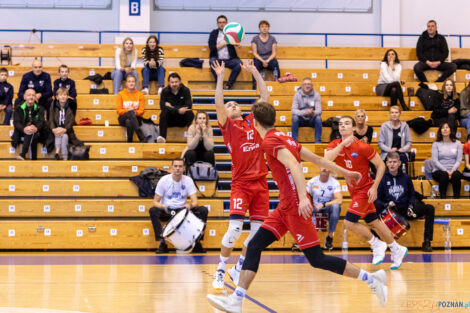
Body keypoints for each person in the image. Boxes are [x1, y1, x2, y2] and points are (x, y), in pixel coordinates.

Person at [207, 102, 389, 312]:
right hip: (284, 207)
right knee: (255, 246)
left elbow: (295, 165)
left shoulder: (269, 142)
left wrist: (303, 198)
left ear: (255, 122)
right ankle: (236, 300)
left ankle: (372, 280)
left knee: (316, 259)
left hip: (295, 207)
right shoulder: (285, 137)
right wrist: (345, 172)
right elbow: (317, 158)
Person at [209, 60, 270, 290]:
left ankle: (237, 269)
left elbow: (265, 97)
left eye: (236, 104)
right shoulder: (228, 127)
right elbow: (218, 104)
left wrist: (254, 71)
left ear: (242, 110)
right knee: (234, 230)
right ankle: (221, 269)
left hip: (261, 184)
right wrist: (220, 77)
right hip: (241, 184)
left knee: (255, 239)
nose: (232, 106)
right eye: (229, 105)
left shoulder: (253, 123)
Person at [325, 116, 408, 269]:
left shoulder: (362, 146)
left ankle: (377, 244)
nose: (343, 126)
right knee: (374, 221)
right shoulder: (335, 144)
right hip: (354, 191)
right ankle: (397, 249)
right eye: (341, 124)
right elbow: (326, 160)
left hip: (365, 189)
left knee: (349, 222)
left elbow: (381, 165)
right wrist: (343, 143)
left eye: (347, 123)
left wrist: (374, 187)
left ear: (354, 128)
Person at [375, 152, 435, 252]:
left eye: (394, 162)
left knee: (430, 208)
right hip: (391, 211)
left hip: (406, 209)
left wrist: (411, 206)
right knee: (373, 207)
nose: (392, 164)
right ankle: (379, 242)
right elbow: (377, 199)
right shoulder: (382, 178)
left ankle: (427, 242)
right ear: (386, 163)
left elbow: (412, 194)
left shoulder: (406, 178)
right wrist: (386, 204)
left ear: (399, 163)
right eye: (390, 162)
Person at [148, 158, 209, 254]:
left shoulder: (188, 180)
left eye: (180, 166)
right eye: (175, 166)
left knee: (203, 210)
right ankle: (162, 243)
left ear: (184, 168)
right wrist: (164, 207)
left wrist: (190, 206)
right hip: (168, 210)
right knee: (153, 210)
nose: (177, 168)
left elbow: (195, 202)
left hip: (182, 211)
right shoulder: (164, 180)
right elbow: (155, 202)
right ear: (172, 167)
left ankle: (197, 242)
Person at [306, 168, 342, 250]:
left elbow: (339, 200)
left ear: (330, 169)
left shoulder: (334, 182)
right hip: (315, 208)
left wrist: (323, 204)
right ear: (319, 168)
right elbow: (304, 196)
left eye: (327, 166)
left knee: (336, 206)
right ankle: (303, 239)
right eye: (322, 166)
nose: (324, 168)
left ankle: (329, 237)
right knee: (302, 205)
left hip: (328, 208)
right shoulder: (312, 182)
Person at [158, 73, 194, 143]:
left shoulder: (186, 90)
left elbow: (188, 106)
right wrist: (177, 110)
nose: (174, 84)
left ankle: (192, 138)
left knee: (190, 113)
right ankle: (162, 137)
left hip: (182, 119)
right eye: (172, 82)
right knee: (163, 113)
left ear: (180, 82)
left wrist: (171, 107)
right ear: (168, 83)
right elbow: (162, 107)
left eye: (176, 82)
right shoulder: (164, 91)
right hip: (170, 120)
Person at [208, 15, 242, 90]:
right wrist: (225, 42)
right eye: (220, 22)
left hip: (229, 60)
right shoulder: (213, 33)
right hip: (218, 59)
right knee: (212, 62)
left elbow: (236, 42)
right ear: (217, 24)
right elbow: (212, 48)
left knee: (239, 64)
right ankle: (219, 85)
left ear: (227, 23)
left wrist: (238, 44)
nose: (222, 24)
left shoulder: (231, 33)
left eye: (223, 22)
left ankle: (228, 85)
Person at [431, 123, 462, 199]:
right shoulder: (436, 144)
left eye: (447, 127)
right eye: (443, 128)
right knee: (444, 175)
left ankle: (457, 200)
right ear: (440, 131)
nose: (445, 129)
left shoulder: (458, 143)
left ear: (451, 130)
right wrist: (446, 171)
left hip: (453, 170)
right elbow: (435, 160)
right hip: (439, 170)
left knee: (457, 175)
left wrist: (452, 170)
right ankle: (443, 199)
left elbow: (459, 160)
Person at [11, 89, 44, 160]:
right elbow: (16, 122)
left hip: (36, 132)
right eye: (29, 95)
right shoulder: (18, 108)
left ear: (35, 97)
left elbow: (41, 122)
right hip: (21, 131)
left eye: (33, 95)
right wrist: (24, 129)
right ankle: (33, 158)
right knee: (30, 131)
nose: (31, 97)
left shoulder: (40, 108)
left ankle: (23, 154)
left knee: (31, 131)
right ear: (24, 97)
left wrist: (36, 128)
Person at [49, 88, 78, 160]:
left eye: (65, 95)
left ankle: (57, 153)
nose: (63, 97)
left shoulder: (71, 106)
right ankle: (65, 157)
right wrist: (53, 129)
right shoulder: (53, 105)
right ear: (57, 97)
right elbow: (51, 119)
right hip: (56, 129)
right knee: (62, 134)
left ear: (67, 97)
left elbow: (71, 121)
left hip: (67, 129)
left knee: (65, 136)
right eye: (61, 95)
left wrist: (65, 129)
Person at [291, 77, 322, 143]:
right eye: (305, 84)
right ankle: (294, 142)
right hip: (301, 119)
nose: (307, 86)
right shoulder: (297, 95)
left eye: (309, 84)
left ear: (312, 86)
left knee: (318, 119)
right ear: (302, 86)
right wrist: (305, 112)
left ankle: (318, 142)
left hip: (311, 118)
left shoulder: (316, 95)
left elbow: (319, 110)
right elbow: (293, 110)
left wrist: (313, 112)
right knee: (295, 118)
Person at [251, 20, 279, 89]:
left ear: (268, 28)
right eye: (262, 26)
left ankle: (277, 85)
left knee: (275, 64)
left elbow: (274, 53)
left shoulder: (272, 39)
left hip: (269, 59)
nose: (264, 28)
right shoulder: (255, 39)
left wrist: (267, 60)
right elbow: (255, 53)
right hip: (259, 59)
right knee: (254, 66)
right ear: (259, 28)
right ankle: (255, 87)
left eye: (266, 26)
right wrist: (262, 61)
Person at [116, 75, 145, 143]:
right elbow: (119, 111)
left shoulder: (140, 94)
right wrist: (128, 110)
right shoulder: (121, 94)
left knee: (129, 121)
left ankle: (129, 141)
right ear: (126, 83)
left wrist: (134, 112)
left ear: (135, 83)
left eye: (133, 81)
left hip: (136, 118)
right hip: (123, 118)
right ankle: (141, 137)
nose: (131, 83)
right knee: (130, 113)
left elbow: (141, 111)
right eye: (129, 81)